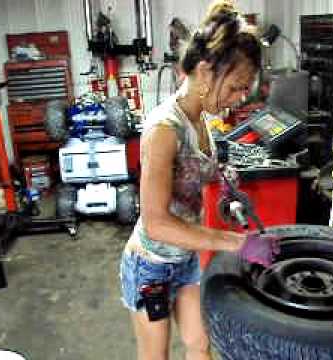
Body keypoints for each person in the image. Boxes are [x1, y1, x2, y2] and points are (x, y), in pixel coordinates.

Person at [119, 1, 262, 359]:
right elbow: (157, 224)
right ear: (204, 71)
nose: (239, 98)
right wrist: (237, 243)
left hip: (184, 259)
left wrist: (225, 183)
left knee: (199, 346)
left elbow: (195, 172)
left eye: (244, 90)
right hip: (151, 263)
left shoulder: (201, 120)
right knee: (157, 356)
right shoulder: (163, 130)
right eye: (235, 88)